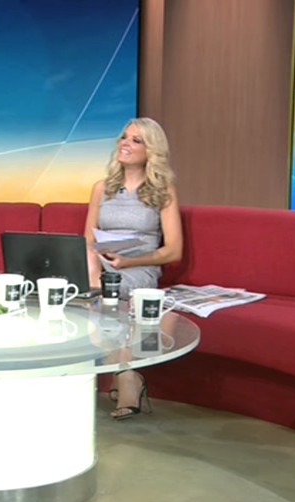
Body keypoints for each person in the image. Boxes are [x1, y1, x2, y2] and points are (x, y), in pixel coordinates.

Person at [83, 117, 183, 420]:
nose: (125, 144)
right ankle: (128, 376)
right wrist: (95, 270)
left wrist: (128, 262)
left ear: (151, 150)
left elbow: (173, 251)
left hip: (139, 267)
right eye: (124, 137)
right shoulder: (102, 188)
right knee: (95, 287)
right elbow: (87, 240)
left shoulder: (162, 191)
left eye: (136, 140)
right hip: (101, 265)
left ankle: (125, 375)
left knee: (109, 294)